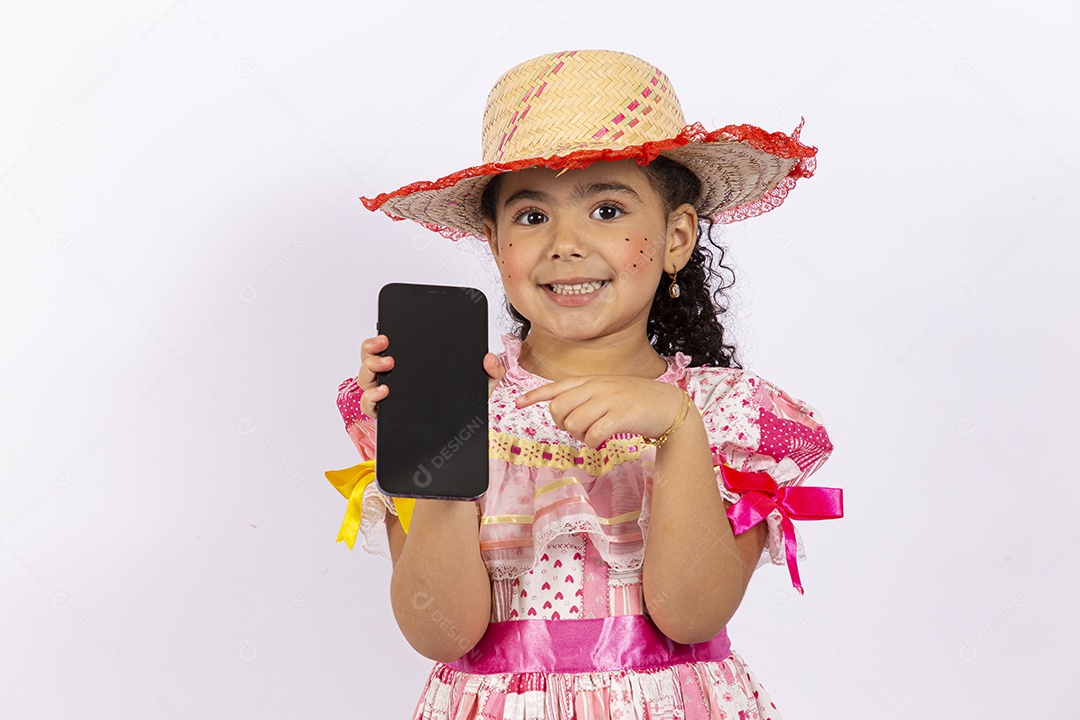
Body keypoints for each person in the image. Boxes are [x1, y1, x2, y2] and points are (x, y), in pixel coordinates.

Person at [324, 49, 844, 719]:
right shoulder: (460, 405)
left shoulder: (727, 416)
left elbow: (690, 617)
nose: (565, 243)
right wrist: (448, 447)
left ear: (677, 237)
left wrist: (680, 433)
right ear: (494, 243)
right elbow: (443, 632)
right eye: (532, 217)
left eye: (606, 210)